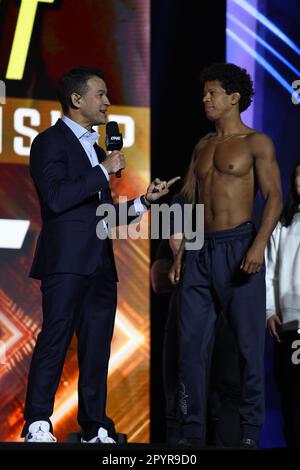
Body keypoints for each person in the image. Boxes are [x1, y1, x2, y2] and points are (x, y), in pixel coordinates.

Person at [21, 66, 179, 443]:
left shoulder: (95, 147)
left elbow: (102, 215)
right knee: (56, 338)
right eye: (101, 94)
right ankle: (37, 422)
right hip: (66, 261)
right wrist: (102, 169)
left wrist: (144, 202)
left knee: (96, 347)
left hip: (100, 264)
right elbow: (57, 198)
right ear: (77, 100)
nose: (108, 102)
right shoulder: (49, 142)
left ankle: (94, 426)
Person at [169, 62, 282, 448]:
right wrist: (179, 245)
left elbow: (275, 198)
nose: (205, 99)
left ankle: (250, 436)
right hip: (200, 249)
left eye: (212, 93)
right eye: (204, 93)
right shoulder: (202, 145)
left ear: (234, 98)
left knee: (250, 350)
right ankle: (191, 434)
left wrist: (257, 245)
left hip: (239, 247)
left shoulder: (257, 143)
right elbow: (187, 196)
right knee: (190, 348)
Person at [266, 161, 300, 449]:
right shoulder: (284, 224)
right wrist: (269, 311)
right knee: (292, 392)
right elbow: (269, 272)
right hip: (291, 325)